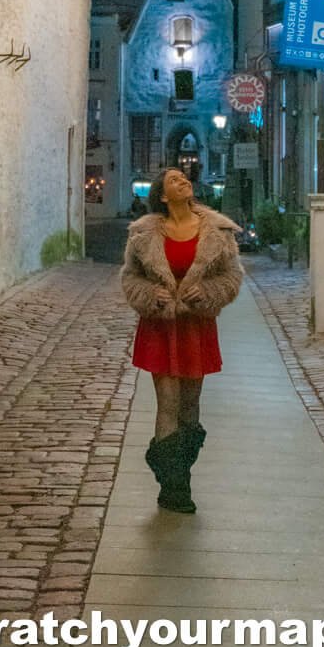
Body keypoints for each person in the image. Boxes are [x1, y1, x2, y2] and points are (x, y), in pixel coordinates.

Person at [119, 165, 244, 514]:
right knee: (168, 403)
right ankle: (175, 487)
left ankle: (174, 468)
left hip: (196, 327)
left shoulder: (217, 231)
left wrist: (207, 293)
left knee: (190, 406)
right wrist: (149, 294)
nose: (183, 181)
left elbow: (232, 277)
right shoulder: (143, 234)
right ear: (162, 195)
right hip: (160, 327)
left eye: (184, 178)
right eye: (174, 180)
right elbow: (130, 279)